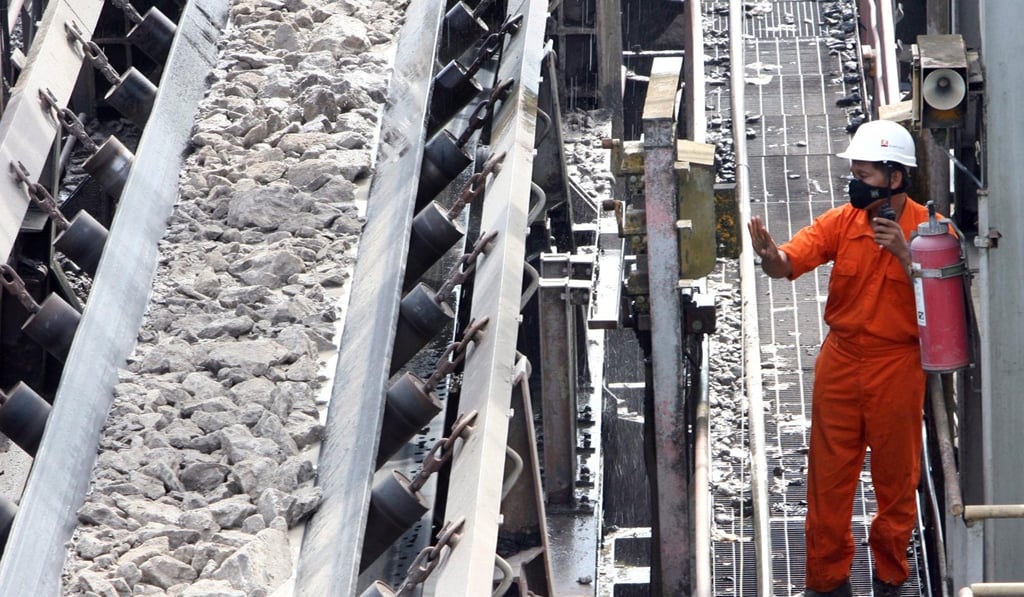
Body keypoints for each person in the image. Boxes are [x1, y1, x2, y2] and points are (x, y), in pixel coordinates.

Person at [747, 119, 932, 597]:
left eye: (865, 175)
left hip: (898, 365)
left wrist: (907, 260)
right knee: (828, 478)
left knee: (897, 477)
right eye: (855, 173)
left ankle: (891, 575)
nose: (855, 183)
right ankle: (827, 582)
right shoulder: (841, 223)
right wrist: (769, 255)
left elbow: (947, 304)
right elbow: (790, 261)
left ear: (895, 178)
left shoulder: (932, 233)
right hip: (842, 361)